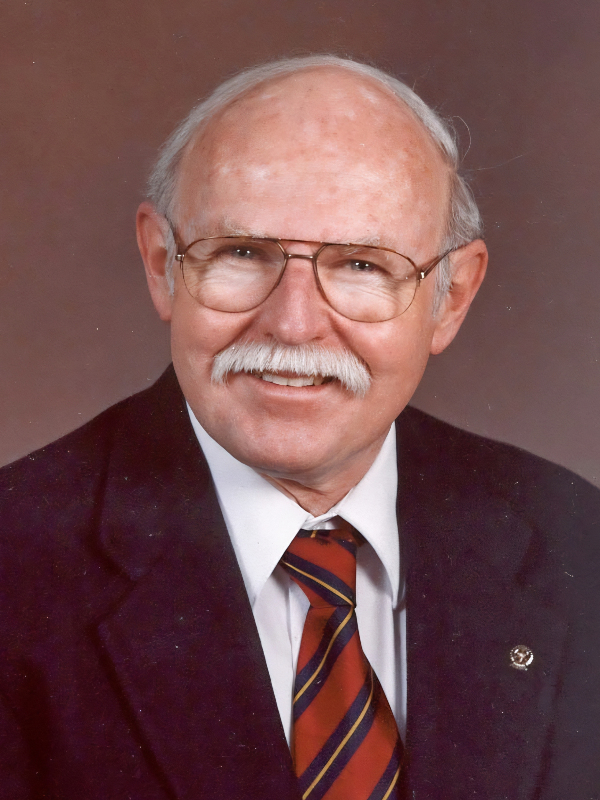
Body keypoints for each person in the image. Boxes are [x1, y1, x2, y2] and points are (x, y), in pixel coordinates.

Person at [1, 55, 599, 800]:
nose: (293, 323)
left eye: (360, 265)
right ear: (162, 265)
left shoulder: (577, 544)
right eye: (242, 253)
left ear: (451, 298)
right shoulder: (15, 565)